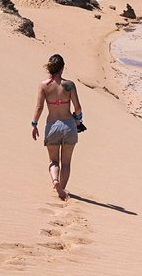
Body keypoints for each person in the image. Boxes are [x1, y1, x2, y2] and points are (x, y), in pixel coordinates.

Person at [31, 54, 83, 200]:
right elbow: (78, 108)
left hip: (52, 126)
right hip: (69, 126)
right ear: (62, 68)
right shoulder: (69, 85)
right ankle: (63, 189)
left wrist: (34, 124)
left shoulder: (44, 85)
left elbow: (39, 106)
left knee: (53, 161)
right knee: (66, 162)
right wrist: (78, 120)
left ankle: (55, 182)